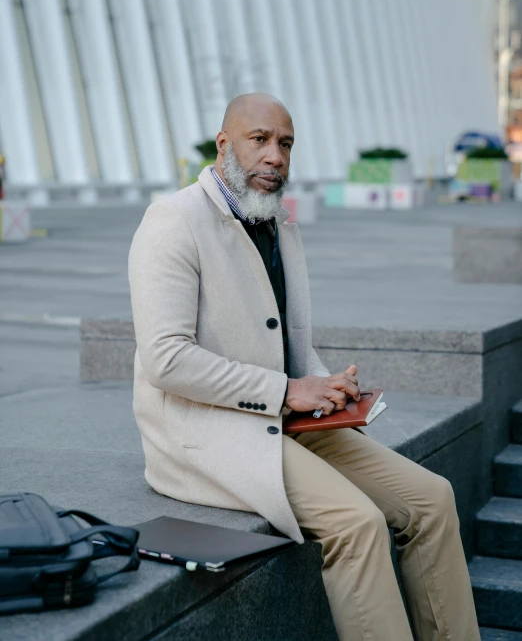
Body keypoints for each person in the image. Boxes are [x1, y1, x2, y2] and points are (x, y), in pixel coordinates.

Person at [128, 93, 480, 641]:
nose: (275, 156)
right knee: (356, 523)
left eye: (285, 143)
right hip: (205, 431)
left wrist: (327, 385)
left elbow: (291, 344)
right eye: (259, 140)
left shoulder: (277, 223)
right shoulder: (173, 221)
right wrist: (288, 389)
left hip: (280, 415)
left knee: (431, 500)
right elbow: (166, 359)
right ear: (224, 145)